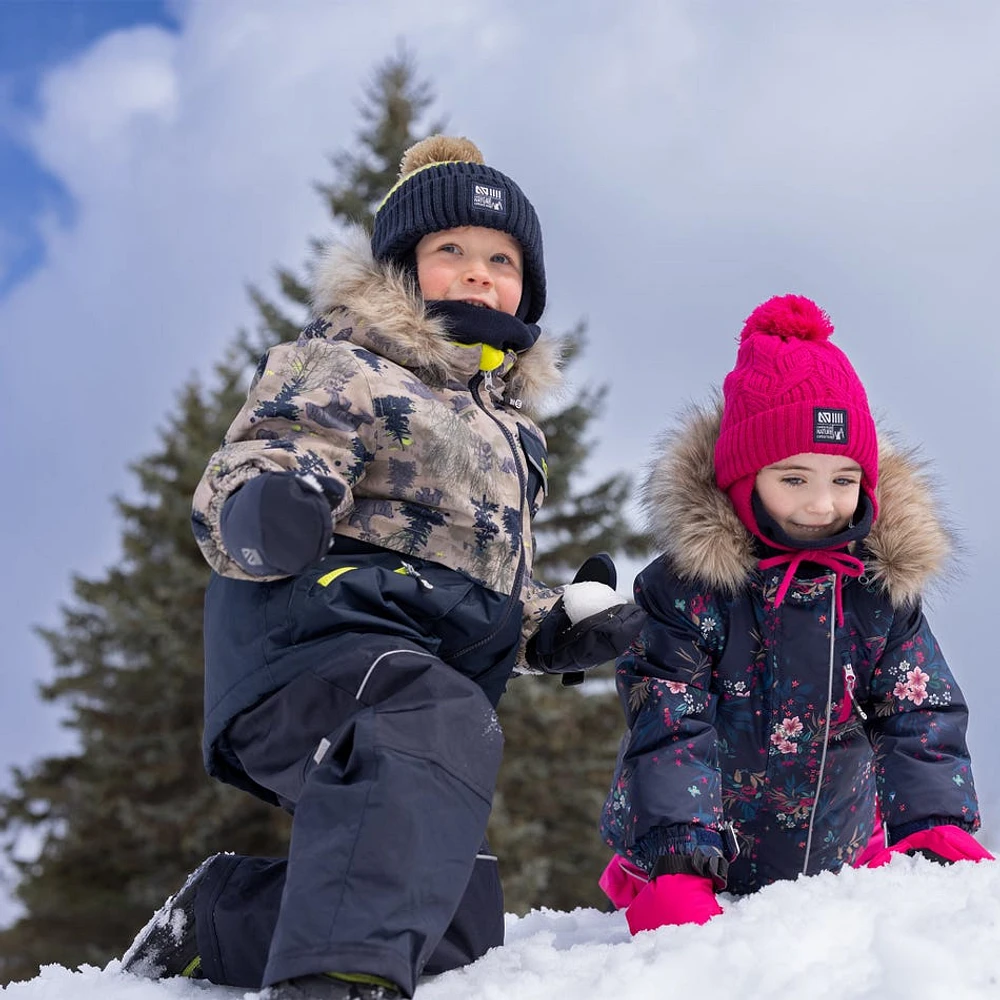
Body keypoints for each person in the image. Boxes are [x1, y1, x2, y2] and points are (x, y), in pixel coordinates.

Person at [119, 135, 644, 999]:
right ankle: (332, 983)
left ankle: (219, 921)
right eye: (452, 252)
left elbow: (484, 578)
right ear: (401, 269)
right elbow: (266, 457)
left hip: (413, 674)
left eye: (502, 260)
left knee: (453, 917)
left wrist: (551, 626)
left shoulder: (517, 439)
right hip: (309, 636)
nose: (480, 273)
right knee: (428, 719)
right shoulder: (346, 366)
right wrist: (272, 504)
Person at [597, 294, 993, 934]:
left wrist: (934, 824)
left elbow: (919, 713)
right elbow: (669, 722)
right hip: (694, 860)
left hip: (838, 860)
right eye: (793, 478)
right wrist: (677, 859)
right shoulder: (690, 589)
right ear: (742, 478)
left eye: (842, 480)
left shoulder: (875, 590)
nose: (820, 504)